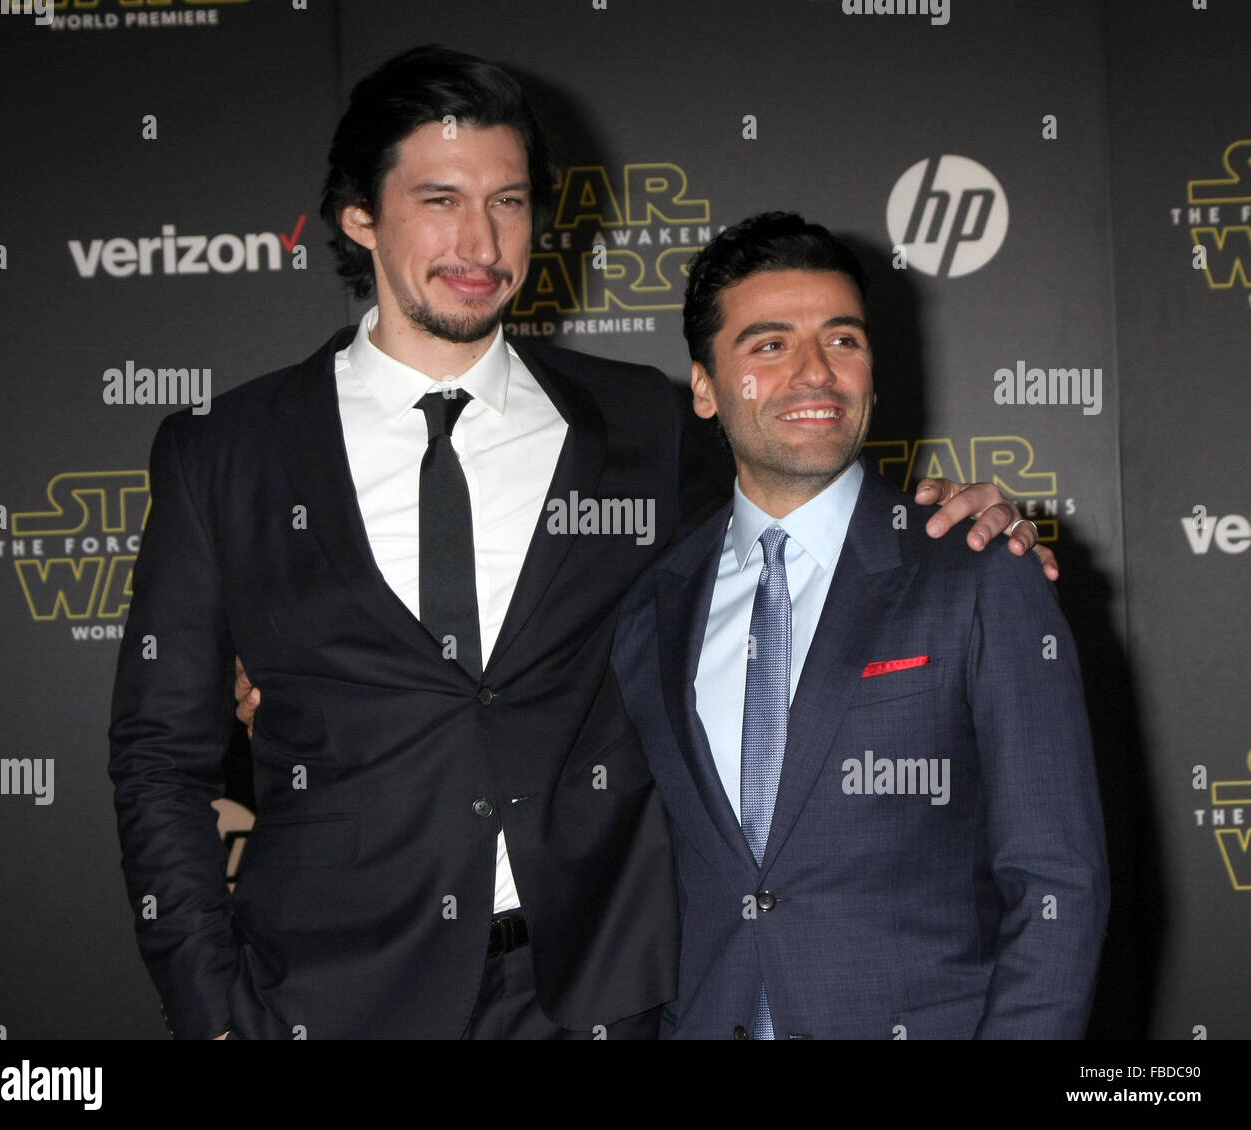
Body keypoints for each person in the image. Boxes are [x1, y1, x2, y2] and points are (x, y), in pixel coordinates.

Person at [111, 47, 1049, 1041]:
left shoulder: (646, 426)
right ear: (358, 215)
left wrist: (953, 522)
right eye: (440, 198)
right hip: (331, 994)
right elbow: (160, 753)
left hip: (603, 993)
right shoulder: (229, 450)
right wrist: (209, 1007)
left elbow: (812, 522)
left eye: (509, 202)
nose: (481, 239)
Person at [609, 212, 1108, 1040]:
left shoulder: (978, 569)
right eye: (769, 345)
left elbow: (1059, 881)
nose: (816, 373)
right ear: (704, 386)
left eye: (842, 340)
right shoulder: (650, 604)